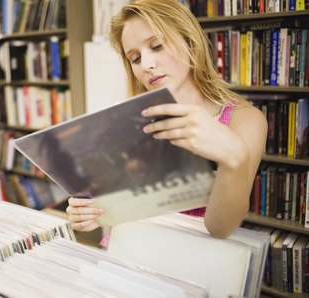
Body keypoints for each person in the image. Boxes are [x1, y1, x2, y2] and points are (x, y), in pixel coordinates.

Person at [66, 0, 267, 239]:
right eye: (135, 59)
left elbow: (221, 228)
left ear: (189, 41)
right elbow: (113, 206)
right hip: (123, 255)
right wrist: (88, 212)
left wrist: (233, 159)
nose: (148, 65)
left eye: (157, 46)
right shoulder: (125, 120)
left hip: (188, 265)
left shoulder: (244, 120)